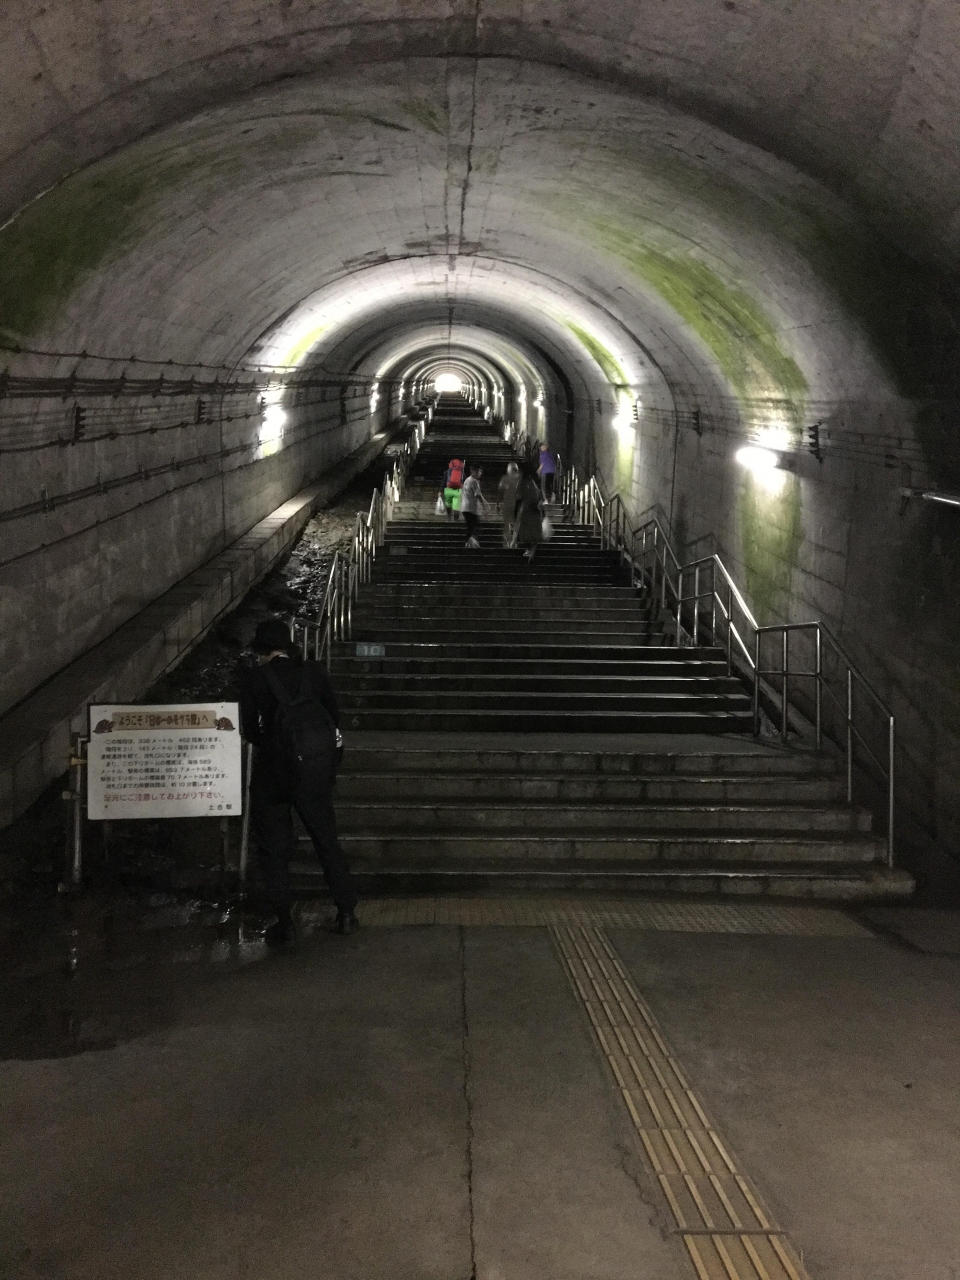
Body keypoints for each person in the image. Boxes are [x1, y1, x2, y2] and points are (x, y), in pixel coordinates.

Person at [239, 618, 358, 948]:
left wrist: (275, 742)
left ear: (262, 651)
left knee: (273, 849)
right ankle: (346, 912)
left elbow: (249, 730)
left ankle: (285, 923)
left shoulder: (253, 678)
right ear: (289, 645)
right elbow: (333, 716)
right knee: (326, 840)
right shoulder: (315, 672)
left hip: (273, 776)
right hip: (313, 772)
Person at [514, 463, 544, 561]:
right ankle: (532, 548)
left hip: (527, 509)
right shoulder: (532, 482)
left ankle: (530, 549)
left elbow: (518, 497)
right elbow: (539, 496)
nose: (518, 473)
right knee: (533, 531)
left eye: (519, 471)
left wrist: (516, 512)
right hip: (534, 510)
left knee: (525, 531)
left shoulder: (522, 482)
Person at [459, 463, 490, 549]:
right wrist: (484, 506)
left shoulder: (467, 480)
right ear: (474, 471)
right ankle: (472, 543)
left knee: (470, 527)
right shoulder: (474, 481)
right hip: (471, 508)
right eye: (479, 471)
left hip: (465, 507)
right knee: (477, 527)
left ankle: (468, 544)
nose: (480, 473)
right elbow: (478, 495)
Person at [497, 461, 520, 547]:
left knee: (507, 523)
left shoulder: (505, 478)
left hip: (507, 504)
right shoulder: (519, 479)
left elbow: (500, 491)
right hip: (517, 505)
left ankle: (507, 542)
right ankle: (514, 542)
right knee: (516, 524)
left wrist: (498, 503)